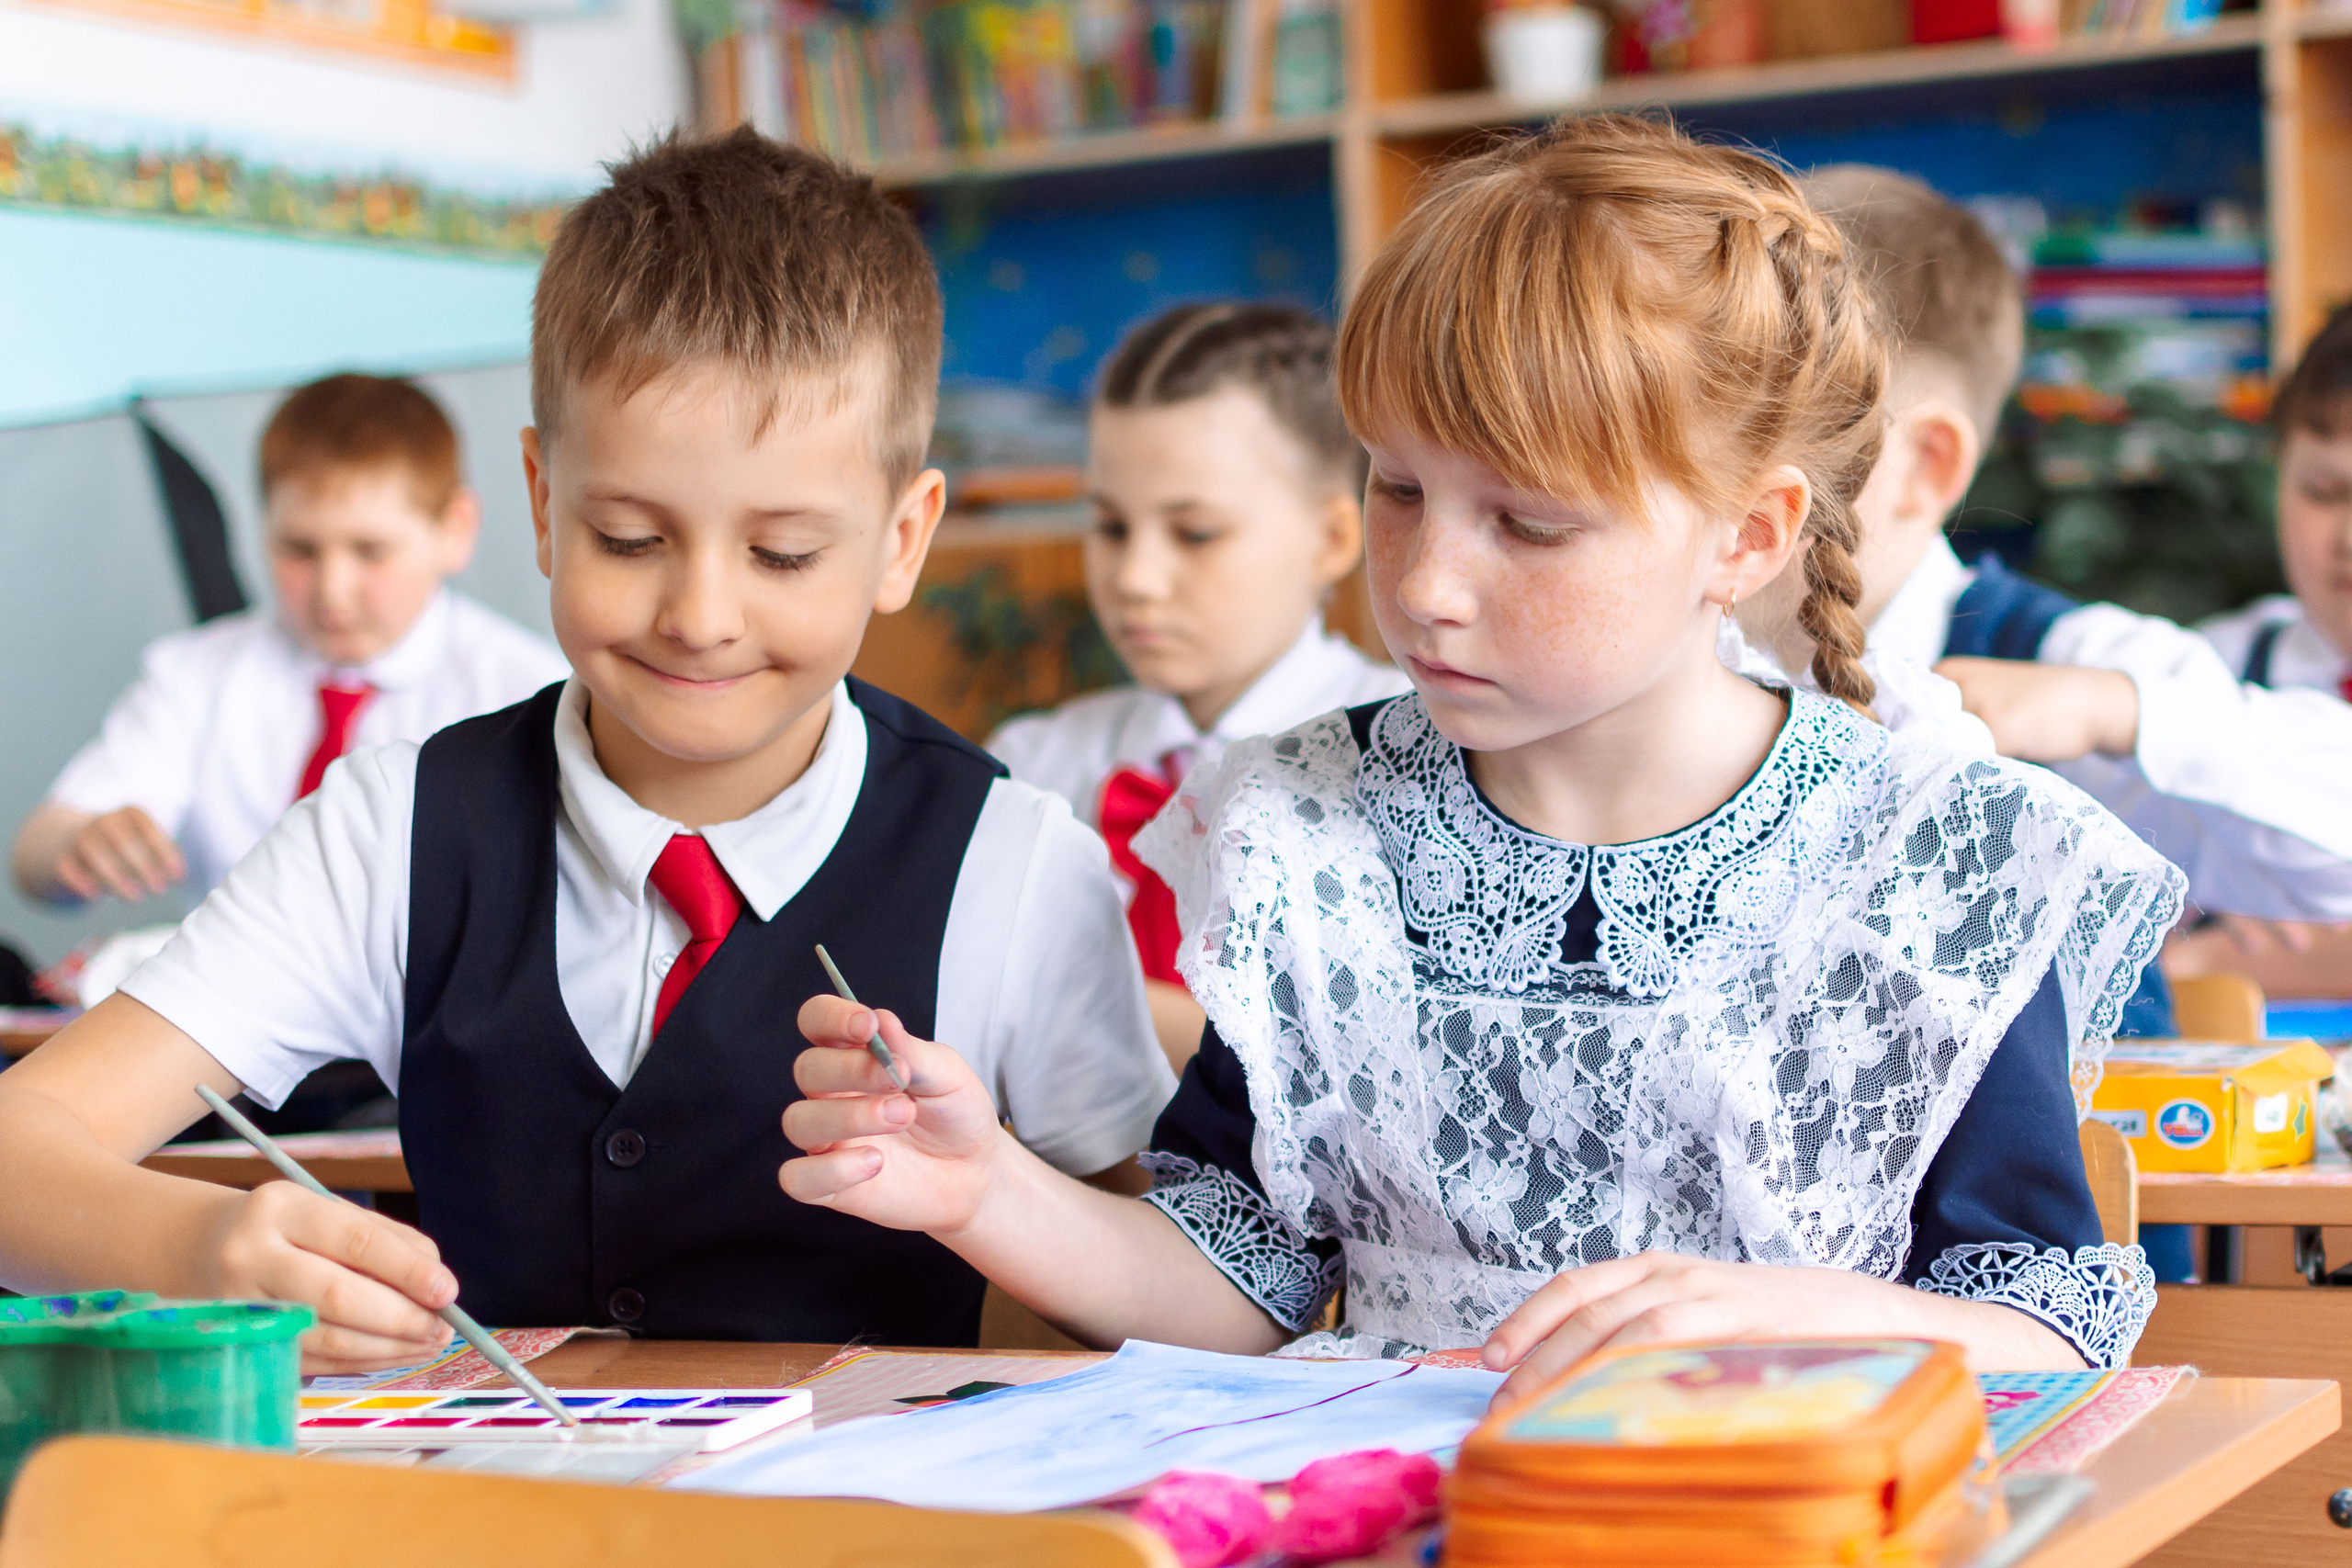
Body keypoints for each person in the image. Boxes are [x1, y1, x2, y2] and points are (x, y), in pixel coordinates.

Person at [775, 116, 2183, 1393]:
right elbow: (1242, 1284)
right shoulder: (1300, 829)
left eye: (1527, 524)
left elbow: (2042, 1316)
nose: (1430, 582)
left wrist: (1787, 1312)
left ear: (1749, 535)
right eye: (1397, 488)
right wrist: (985, 1191)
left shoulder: (1944, 858)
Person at [0, 130, 1171, 1371]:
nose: (701, 614)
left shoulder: (1012, 860)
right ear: (545, 501)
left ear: (901, 538)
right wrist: (196, 1247)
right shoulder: (392, 828)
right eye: (628, 536)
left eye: (782, 554)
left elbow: (1145, 1281)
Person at [1736, 165, 2352, 932]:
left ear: (1926, 466)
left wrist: (2109, 708)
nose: (1711, 469)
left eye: (1762, 427)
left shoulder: (2067, 656)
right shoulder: (1700, 659)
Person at [989, 305, 1406, 1070]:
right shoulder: (1031, 766)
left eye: (1196, 534)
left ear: (1334, 539)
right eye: (1111, 528)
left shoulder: (1406, 761)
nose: (1136, 579)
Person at [12, 375, 568, 908]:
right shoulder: (197, 674)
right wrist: (78, 847)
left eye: (370, 551)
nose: (332, 590)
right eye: (299, 549)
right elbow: (34, 857)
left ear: (455, 530)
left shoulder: (528, 693)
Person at [2164, 303, 2352, 997]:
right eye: (2323, 491)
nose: (2349, 540)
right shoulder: (2198, 674)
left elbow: (2189, 966)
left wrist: (2217, 963)